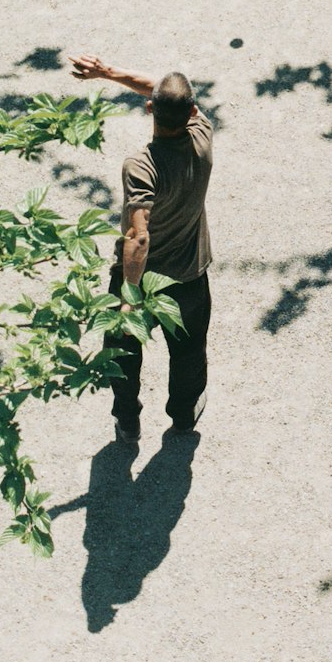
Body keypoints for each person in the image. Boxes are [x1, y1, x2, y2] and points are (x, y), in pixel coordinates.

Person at [69, 55, 213, 444]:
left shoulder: (141, 166)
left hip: (140, 280)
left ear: (150, 108)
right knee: (188, 352)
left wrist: (129, 298)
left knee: (124, 352)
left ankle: (127, 420)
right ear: (193, 110)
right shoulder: (203, 135)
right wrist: (110, 73)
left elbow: (139, 237)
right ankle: (183, 416)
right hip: (190, 275)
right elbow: (166, 89)